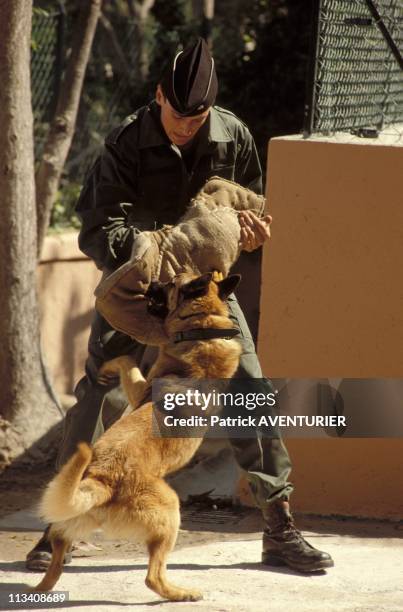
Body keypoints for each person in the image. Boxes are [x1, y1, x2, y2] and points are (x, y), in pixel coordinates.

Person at [26, 38, 333, 573]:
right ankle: (61, 530)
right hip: (139, 288)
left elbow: (245, 210)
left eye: (198, 117)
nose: (187, 126)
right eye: (178, 114)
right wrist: (155, 249)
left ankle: (279, 526)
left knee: (249, 390)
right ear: (159, 96)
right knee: (98, 389)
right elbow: (97, 231)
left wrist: (251, 233)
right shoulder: (125, 141)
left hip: (205, 293)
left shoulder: (232, 134)